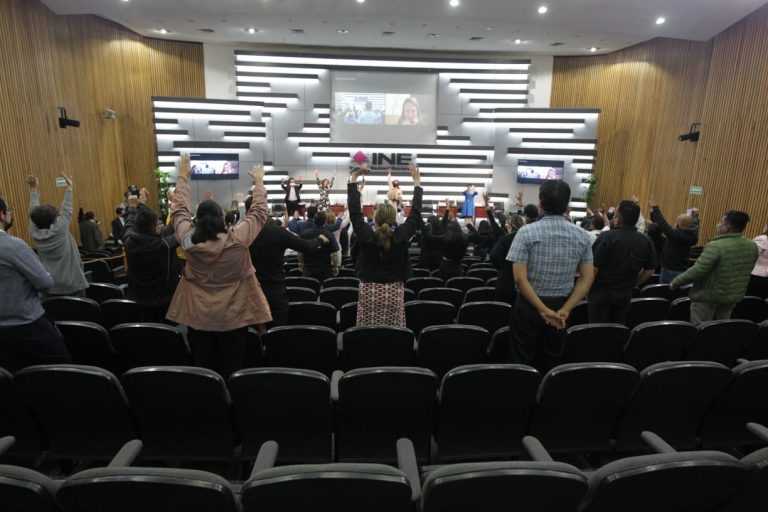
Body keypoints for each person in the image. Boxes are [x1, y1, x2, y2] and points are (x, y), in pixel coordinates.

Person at [166, 155, 271, 378]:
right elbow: (260, 212)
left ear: (196, 220)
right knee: (233, 366)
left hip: (198, 315)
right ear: (223, 218)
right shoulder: (238, 239)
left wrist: (183, 177)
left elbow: (178, 211)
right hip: (234, 315)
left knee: (204, 367)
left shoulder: (186, 239)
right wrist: (259, 183)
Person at [506, 181, 594, 372]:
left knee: (522, 359)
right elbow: (587, 278)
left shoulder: (525, 232)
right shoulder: (583, 235)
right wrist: (567, 309)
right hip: (563, 307)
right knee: (553, 359)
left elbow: (520, 279)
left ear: (541, 203)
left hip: (529, 306)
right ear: (567, 205)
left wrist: (542, 309)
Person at [0, 196, 71, 372]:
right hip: (28, 326)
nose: (10, 214)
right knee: (61, 370)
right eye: (9, 210)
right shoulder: (13, 246)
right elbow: (45, 283)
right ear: (1, 215)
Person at [348, 162, 423, 326]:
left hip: (368, 290)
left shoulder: (366, 235)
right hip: (394, 291)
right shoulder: (401, 235)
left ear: (375, 218)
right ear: (394, 219)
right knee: (392, 332)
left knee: (367, 330)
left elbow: (354, 211)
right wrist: (417, 183)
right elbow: (415, 213)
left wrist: (353, 178)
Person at [248, 202, 329, 328]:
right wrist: (319, 239)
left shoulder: (242, 234)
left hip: (250, 291)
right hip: (275, 290)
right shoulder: (277, 232)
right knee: (277, 333)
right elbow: (305, 246)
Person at [671, 211, 758, 326]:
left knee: (701, 329)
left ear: (727, 226)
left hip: (708, 297)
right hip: (732, 297)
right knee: (721, 329)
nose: (718, 224)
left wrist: (676, 282)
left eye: (721, 222)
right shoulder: (752, 245)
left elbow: (698, 270)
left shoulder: (716, 246)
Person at [588, 200, 657, 324]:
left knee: (597, 331)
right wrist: (634, 284)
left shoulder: (606, 237)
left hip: (601, 293)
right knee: (617, 331)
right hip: (625, 293)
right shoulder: (646, 240)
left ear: (617, 218)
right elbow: (650, 269)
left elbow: (594, 268)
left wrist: (586, 290)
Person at [26, 173, 89, 297]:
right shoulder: (59, 230)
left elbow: (32, 212)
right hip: (73, 286)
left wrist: (33, 189)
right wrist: (69, 187)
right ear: (54, 219)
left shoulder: (34, 233)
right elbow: (66, 210)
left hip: (51, 289)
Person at [123, 192, 182, 323]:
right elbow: (181, 234)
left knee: (148, 333)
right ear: (156, 228)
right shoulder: (165, 244)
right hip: (164, 300)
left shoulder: (129, 241)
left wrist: (133, 208)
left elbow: (129, 224)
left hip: (138, 298)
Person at [648, 200, 698, 283]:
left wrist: (655, 208)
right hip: (683, 270)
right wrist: (695, 215)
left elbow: (662, 223)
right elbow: (695, 226)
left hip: (669, 271)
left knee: (665, 292)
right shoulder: (693, 236)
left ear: (678, 224)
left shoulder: (675, 235)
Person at [489, 210, 525, 304]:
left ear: (510, 226)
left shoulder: (506, 239)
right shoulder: (527, 238)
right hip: (525, 279)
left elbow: (493, 255)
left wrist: (503, 267)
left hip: (506, 280)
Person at [299, 211, 338, 281]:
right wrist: (335, 267)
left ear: (314, 220)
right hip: (325, 271)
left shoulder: (304, 234)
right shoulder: (329, 235)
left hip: (308, 270)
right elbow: (335, 254)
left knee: (308, 291)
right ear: (325, 221)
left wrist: (300, 262)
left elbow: (300, 252)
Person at [747, 224, 768, 299]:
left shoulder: (762, 239)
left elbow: (750, 255)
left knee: (750, 301)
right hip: (765, 277)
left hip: (756, 276)